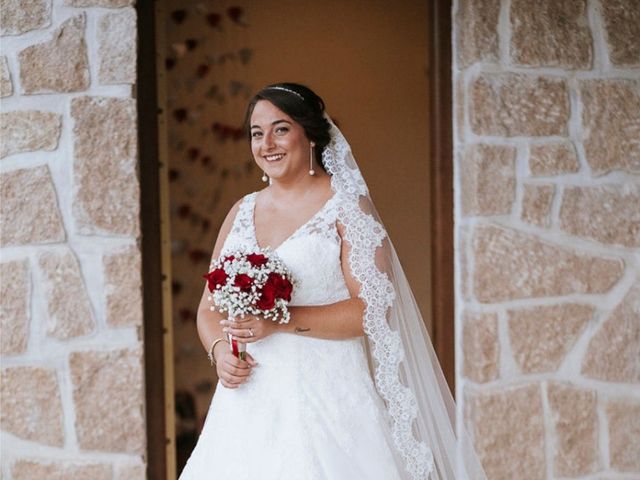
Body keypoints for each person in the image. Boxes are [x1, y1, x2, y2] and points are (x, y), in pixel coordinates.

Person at [179, 83, 486, 480]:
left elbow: (371, 309)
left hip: (330, 404)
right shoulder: (241, 211)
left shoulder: (346, 208)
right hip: (247, 408)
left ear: (309, 134)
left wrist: (279, 321)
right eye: (257, 133)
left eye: (281, 129)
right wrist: (220, 349)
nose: (267, 143)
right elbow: (209, 308)